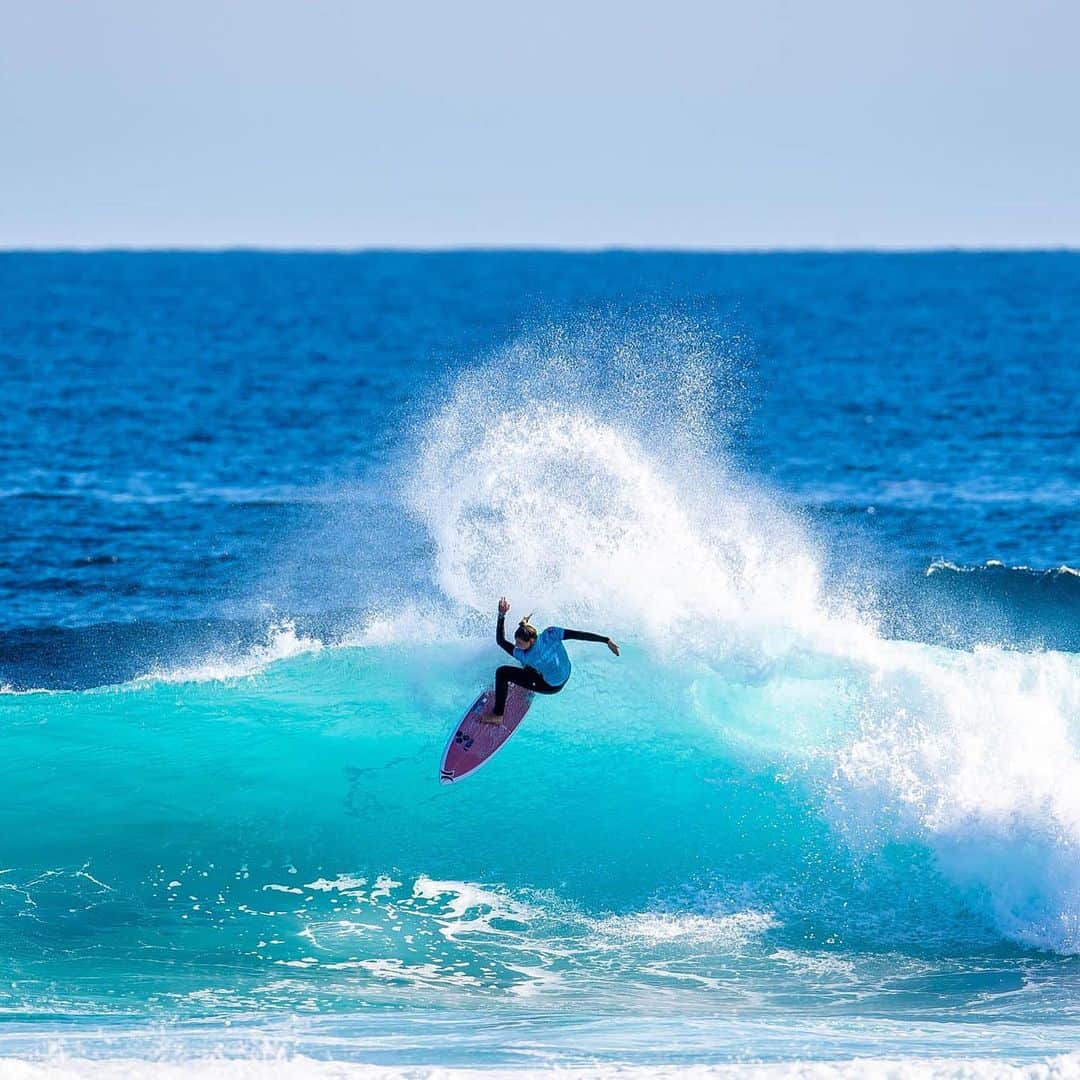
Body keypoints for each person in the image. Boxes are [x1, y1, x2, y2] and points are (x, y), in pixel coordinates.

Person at [483, 596, 620, 722]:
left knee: (502, 673)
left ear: (530, 640)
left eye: (519, 643)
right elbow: (578, 635)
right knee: (528, 665)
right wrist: (606, 640)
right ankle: (531, 680)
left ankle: (498, 715)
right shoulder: (551, 633)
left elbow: (500, 641)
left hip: (551, 686)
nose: (517, 645)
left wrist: (501, 615)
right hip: (566, 673)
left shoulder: (527, 655)